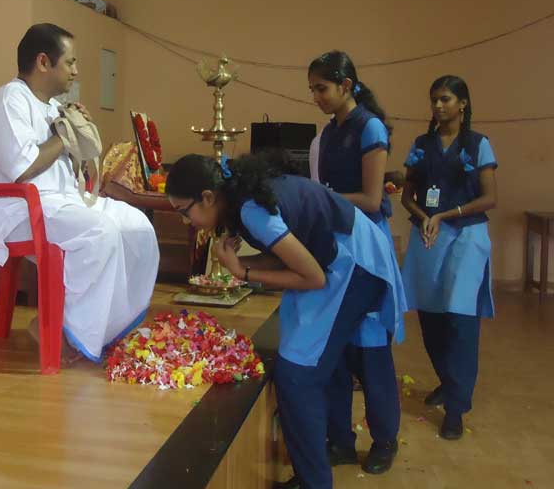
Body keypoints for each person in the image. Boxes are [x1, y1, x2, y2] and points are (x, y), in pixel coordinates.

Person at [166, 151, 403, 489]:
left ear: (207, 197)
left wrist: (242, 271)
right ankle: (337, 446)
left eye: (183, 212)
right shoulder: (239, 198)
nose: (185, 222)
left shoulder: (251, 211)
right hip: (339, 256)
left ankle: (314, 482)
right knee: (316, 355)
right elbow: (288, 255)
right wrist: (248, 269)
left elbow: (313, 277)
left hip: (355, 265)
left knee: (297, 373)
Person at [0, 23, 158, 363]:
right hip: (10, 213)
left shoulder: (53, 106)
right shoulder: (9, 100)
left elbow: (68, 170)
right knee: (100, 233)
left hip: (56, 203)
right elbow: (23, 170)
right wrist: (64, 135)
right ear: (43, 62)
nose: (76, 71)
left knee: (137, 226)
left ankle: (108, 331)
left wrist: (78, 137)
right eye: (70, 63)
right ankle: (59, 329)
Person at [308, 50, 407, 476]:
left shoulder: (370, 128)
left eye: (322, 88)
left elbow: (370, 200)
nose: (316, 96)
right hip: (337, 248)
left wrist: (317, 200)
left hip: (365, 248)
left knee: (370, 353)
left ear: (346, 85)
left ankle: (385, 439)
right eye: (312, 89)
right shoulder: (330, 133)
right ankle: (341, 441)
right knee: (335, 351)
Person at [400, 75, 498, 440]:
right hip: (428, 235)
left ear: (463, 104)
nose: (438, 106)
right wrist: (426, 216)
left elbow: (490, 198)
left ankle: (457, 407)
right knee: (431, 316)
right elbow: (407, 195)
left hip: (466, 236)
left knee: (460, 319)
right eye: (434, 100)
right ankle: (447, 380)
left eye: (445, 99)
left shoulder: (478, 144)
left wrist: (445, 215)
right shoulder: (422, 145)